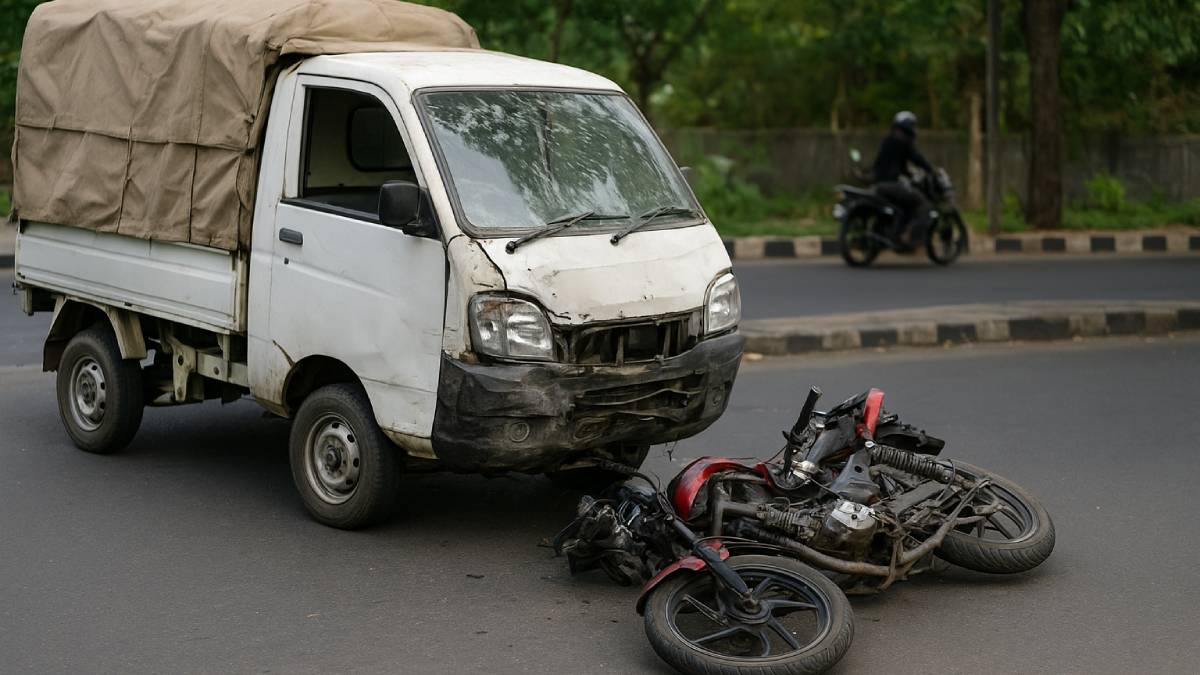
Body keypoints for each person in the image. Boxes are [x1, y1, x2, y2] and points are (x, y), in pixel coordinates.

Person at [871, 111, 934, 245]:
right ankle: (910, 236)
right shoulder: (903, 141)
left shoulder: (888, 140)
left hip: (877, 184)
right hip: (891, 184)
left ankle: (896, 231)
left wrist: (909, 175)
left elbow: (899, 166)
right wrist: (930, 170)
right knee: (924, 204)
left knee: (904, 204)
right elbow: (916, 158)